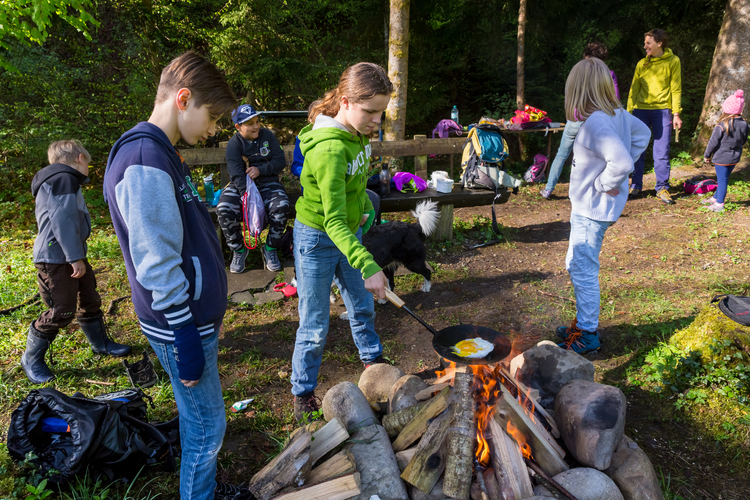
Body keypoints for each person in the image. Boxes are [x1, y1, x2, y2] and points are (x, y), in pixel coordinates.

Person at [103, 52, 249, 500]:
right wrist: (185, 335)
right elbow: (156, 261)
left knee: (198, 416)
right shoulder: (144, 158)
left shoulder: (159, 152)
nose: (213, 130)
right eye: (212, 118)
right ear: (183, 99)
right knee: (207, 426)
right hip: (178, 323)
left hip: (187, 318)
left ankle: (201, 487)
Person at [291, 62, 391, 423]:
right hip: (317, 239)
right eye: (370, 112)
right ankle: (302, 391)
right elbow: (332, 219)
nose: (377, 120)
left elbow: (358, 184)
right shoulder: (330, 150)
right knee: (315, 322)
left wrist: (364, 206)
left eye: (381, 112)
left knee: (363, 303)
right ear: (346, 101)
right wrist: (369, 265)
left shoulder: (358, 133)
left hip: (350, 235)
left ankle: (373, 362)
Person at [556, 57, 650, 353]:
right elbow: (643, 134)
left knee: (582, 268)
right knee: (575, 263)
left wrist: (604, 183)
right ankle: (582, 323)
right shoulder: (617, 114)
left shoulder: (596, 122)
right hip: (593, 209)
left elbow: (620, 161)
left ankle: (587, 333)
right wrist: (613, 181)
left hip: (591, 209)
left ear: (578, 91)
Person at [21, 140, 131, 384]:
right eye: (89, 163)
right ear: (80, 158)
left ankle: (100, 343)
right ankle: (31, 359)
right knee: (62, 309)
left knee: (89, 298)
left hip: (69, 254)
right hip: (56, 258)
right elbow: (64, 221)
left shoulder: (61, 178)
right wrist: (75, 258)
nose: (88, 169)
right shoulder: (63, 178)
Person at [541, 42, 619, 199]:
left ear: (588, 57)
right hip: (596, 122)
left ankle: (548, 189)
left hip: (575, 119)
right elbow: (615, 101)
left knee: (562, 154)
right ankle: (593, 190)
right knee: (595, 159)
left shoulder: (577, 72)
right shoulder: (608, 74)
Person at [218, 105, 290, 273]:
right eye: (250, 123)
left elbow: (280, 161)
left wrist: (261, 170)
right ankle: (239, 249)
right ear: (238, 127)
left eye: (257, 121)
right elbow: (236, 175)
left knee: (281, 205)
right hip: (240, 186)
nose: (256, 126)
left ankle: (270, 248)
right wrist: (250, 201)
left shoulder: (267, 136)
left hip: (268, 183)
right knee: (224, 208)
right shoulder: (234, 144)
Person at [627, 28, 682, 204]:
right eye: (645, 43)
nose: (645, 47)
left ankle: (662, 188)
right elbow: (634, 89)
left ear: (660, 43)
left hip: (663, 112)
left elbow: (676, 88)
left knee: (662, 151)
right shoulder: (641, 64)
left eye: (648, 43)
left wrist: (676, 113)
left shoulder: (673, 61)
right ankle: (635, 185)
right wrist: (628, 113)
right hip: (640, 111)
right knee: (638, 150)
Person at [703, 90, 748, 213]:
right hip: (735, 157)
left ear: (727, 109)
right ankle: (715, 198)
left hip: (721, 158)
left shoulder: (721, 125)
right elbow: (743, 141)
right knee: (724, 179)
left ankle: (719, 204)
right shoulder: (745, 125)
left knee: (722, 181)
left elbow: (713, 143)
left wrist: (707, 155)